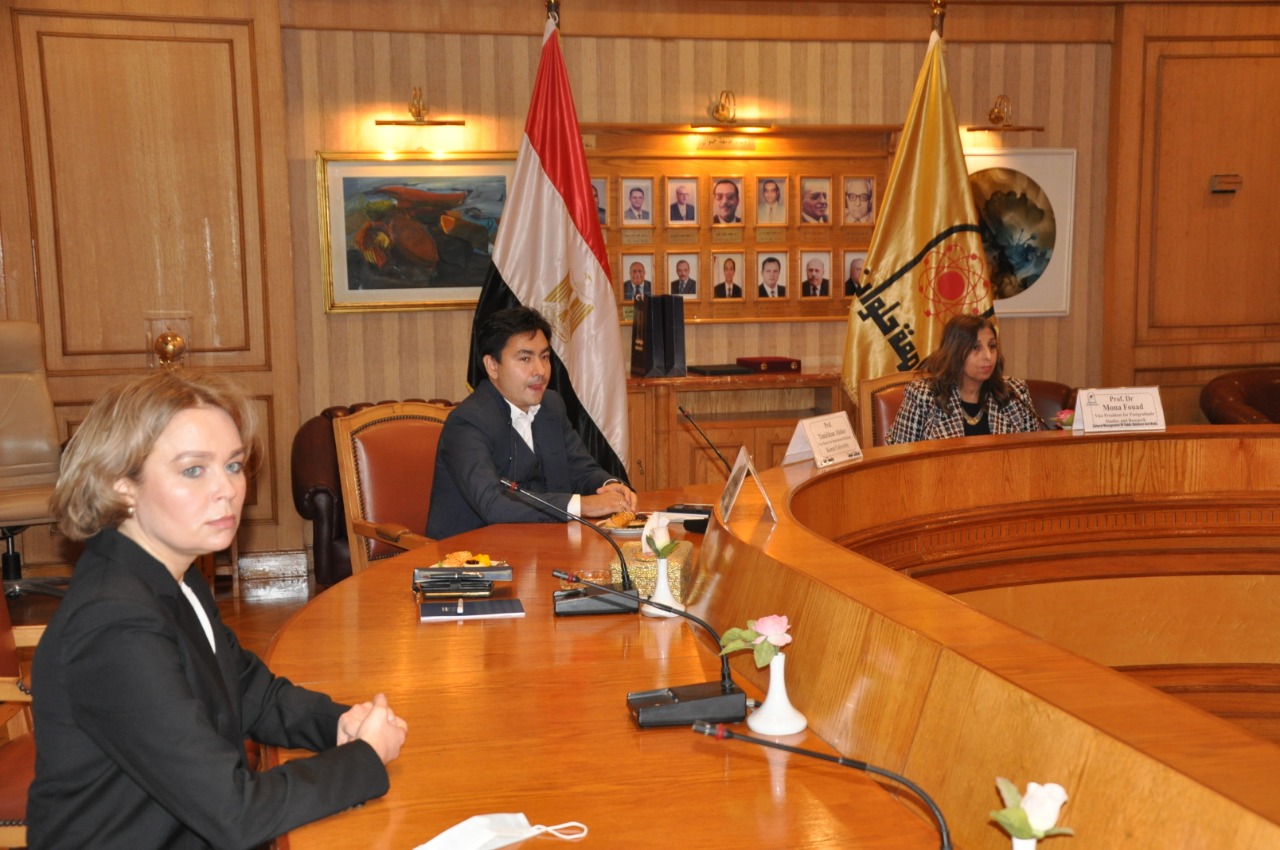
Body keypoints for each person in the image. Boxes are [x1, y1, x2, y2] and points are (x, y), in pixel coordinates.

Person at [27, 370, 408, 849]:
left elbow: (246, 689)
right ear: (122, 485)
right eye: (194, 470)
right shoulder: (115, 624)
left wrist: (338, 723)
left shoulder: (173, 573)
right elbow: (234, 814)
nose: (227, 488)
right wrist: (364, 760)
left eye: (233, 465)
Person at [427, 306, 638, 539]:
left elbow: (581, 469)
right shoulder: (467, 422)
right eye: (525, 358)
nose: (540, 370)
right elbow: (492, 504)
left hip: (543, 545)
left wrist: (608, 485)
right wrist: (584, 505)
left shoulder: (551, 405)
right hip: (472, 553)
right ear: (493, 366)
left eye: (544, 357)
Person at [886, 314, 1045, 444]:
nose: (988, 356)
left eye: (992, 346)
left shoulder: (1014, 392)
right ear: (955, 351)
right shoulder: (924, 395)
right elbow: (897, 457)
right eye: (976, 347)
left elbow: (1035, 454)